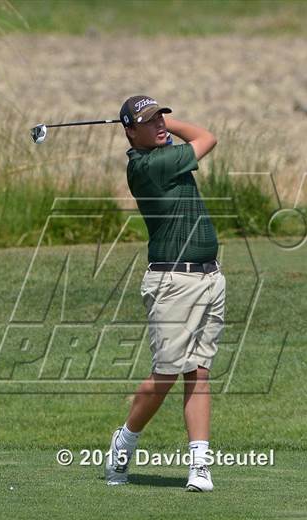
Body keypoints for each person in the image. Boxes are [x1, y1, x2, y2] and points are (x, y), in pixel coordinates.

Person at [105, 95, 226, 491]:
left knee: (199, 372)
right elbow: (207, 137)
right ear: (129, 130)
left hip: (208, 277)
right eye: (150, 120)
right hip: (173, 283)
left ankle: (199, 466)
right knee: (167, 375)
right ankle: (124, 440)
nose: (160, 124)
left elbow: (194, 140)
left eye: (162, 117)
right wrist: (170, 128)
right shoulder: (149, 165)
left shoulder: (160, 154)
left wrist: (157, 126)